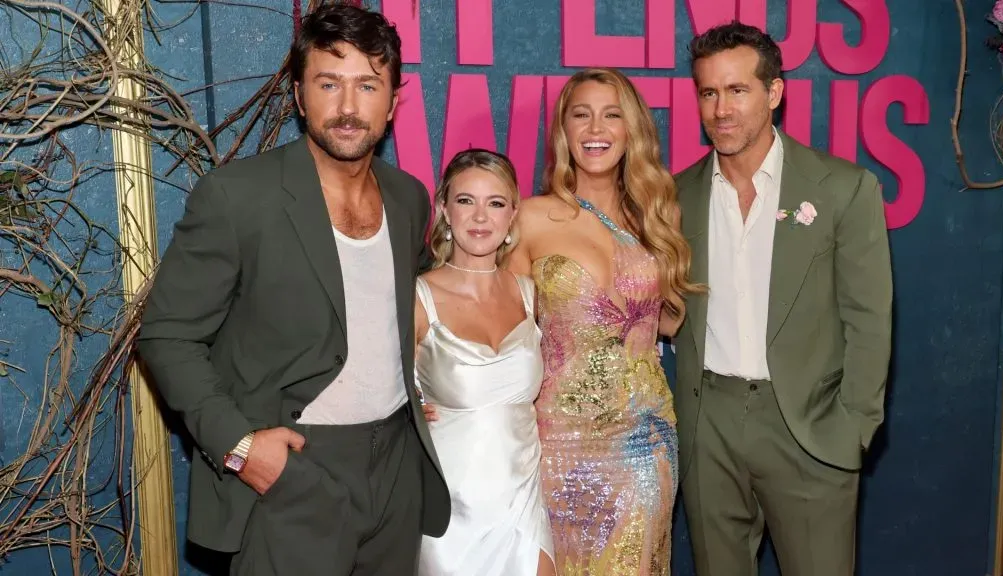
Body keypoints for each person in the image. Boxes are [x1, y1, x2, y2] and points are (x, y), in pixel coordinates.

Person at [136, 4, 450, 575]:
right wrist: (240, 445)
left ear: (394, 101)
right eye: (329, 83)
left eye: (368, 85)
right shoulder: (237, 196)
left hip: (398, 468)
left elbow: (416, 306)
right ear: (301, 97)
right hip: (296, 470)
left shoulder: (409, 199)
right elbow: (165, 336)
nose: (349, 107)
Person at [672, 21, 893, 576]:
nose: (721, 109)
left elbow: (869, 320)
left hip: (808, 427)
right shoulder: (675, 196)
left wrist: (852, 430)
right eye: (708, 92)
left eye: (738, 90)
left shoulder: (844, 188)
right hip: (709, 426)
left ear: (774, 93)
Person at [507, 67, 698, 574]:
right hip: (556, 444)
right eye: (581, 115)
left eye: (612, 115)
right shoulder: (529, 218)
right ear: (563, 132)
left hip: (643, 440)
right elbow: (499, 330)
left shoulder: (657, 218)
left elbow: (671, 324)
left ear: (630, 129)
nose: (596, 129)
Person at [414, 149, 555, 576]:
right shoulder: (418, 298)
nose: (480, 217)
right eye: (465, 201)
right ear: (444, 209)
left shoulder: (530, 293)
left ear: (513, 214)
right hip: (451, 515)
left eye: (495, 203)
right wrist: (404, 415)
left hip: (524, 506)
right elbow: (373, 388)